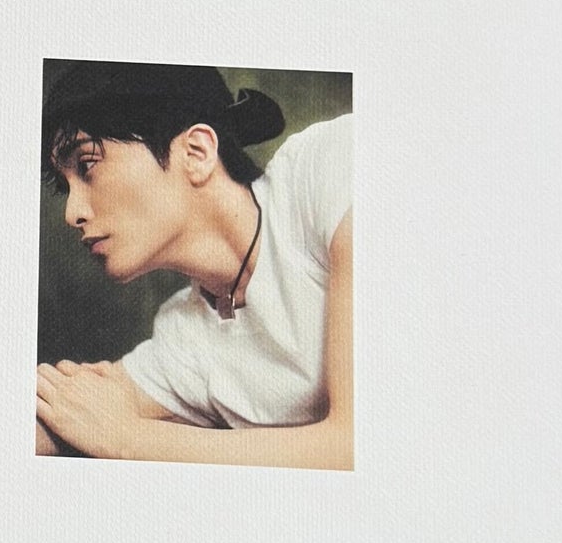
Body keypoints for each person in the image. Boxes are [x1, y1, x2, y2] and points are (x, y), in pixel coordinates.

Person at [34, 61, 353, 470]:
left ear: (196, 153)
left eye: (87, 165)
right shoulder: (183, 337)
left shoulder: (331, 168)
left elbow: (361, 445)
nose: (72, 212)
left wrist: (129, 439)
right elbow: (71, 414)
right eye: (66, 187)